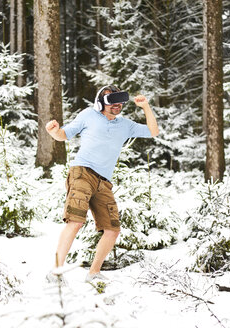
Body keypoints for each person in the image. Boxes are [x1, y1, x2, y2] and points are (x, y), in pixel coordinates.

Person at [45, 85, 159, 283]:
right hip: (82, 172)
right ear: (100, 103)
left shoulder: (125, 124)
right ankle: (55, 271)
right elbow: (64, 134)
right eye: (111, 101)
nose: (117, 105)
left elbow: (153, 131)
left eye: (119, 101)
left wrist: (146, 107)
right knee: (76, 221)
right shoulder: (88, 115)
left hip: (104, 181)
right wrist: (53, 131)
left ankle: (93, 273)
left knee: (112, 230)